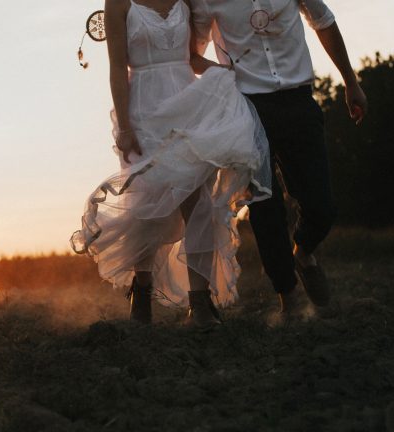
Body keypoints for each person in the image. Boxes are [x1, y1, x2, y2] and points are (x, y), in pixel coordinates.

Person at [71, 0, 271, 327]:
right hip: (144, 111)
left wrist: (223, 74)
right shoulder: (118, 3)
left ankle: (200, 302)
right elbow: (117, 68)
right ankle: (142, 288)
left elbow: (190, 57)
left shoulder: (186, 0)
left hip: (188, 105)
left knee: (199, 202)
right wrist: (123, 127)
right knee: (148, 205)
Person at [189, 0, 368, 312]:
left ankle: (304, 251)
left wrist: (350, 81)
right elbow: (193, 56)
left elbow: (323, 21)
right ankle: (288, 296)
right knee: (264, 207)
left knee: (321, 206)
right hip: (247, 109)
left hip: (299, 101)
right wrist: (221, 71)